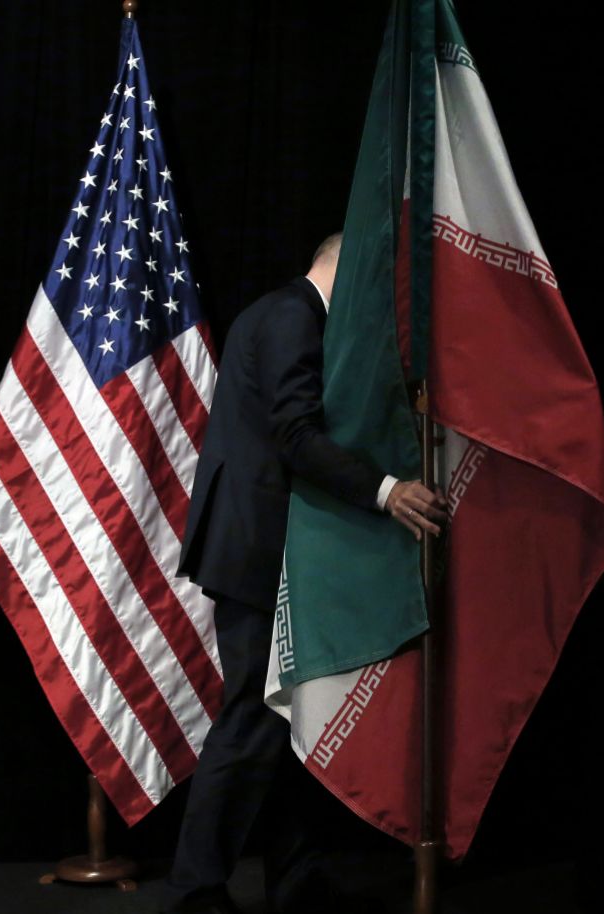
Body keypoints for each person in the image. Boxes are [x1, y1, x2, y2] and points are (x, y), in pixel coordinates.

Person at [159, 233, 448, 914]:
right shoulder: (294, 316)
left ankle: (296, 876)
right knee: (253, 720)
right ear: (341, 267)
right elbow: (295, 433)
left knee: (288, 723)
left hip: (265, 545)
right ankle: (195, 887)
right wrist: (387, 490)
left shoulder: (278, 313)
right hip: (257, 548)